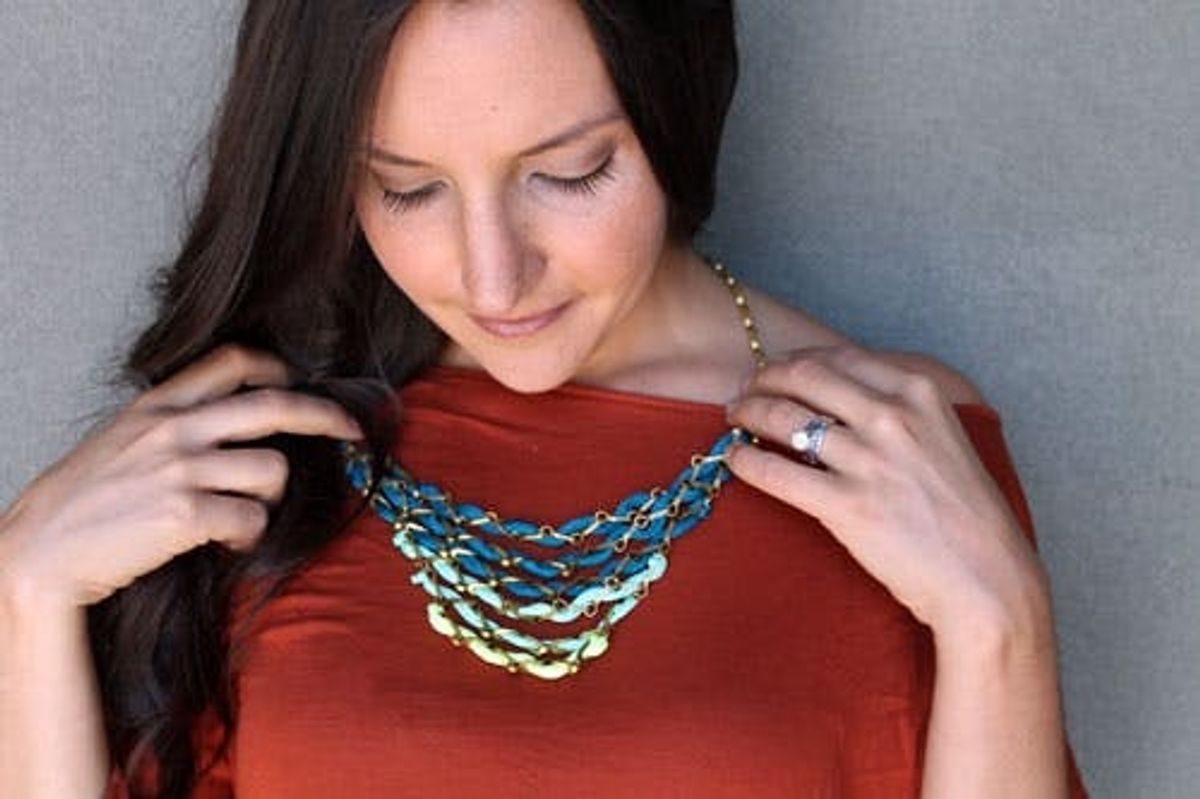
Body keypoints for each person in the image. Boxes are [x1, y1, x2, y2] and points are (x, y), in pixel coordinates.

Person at [0, 0, 1089, 796]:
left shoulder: (888, 447)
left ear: (673, 103)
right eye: (406, 187)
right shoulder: (260, 458)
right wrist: (25, 594)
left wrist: (1003, 627)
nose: (492, 277)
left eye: (568, 173)